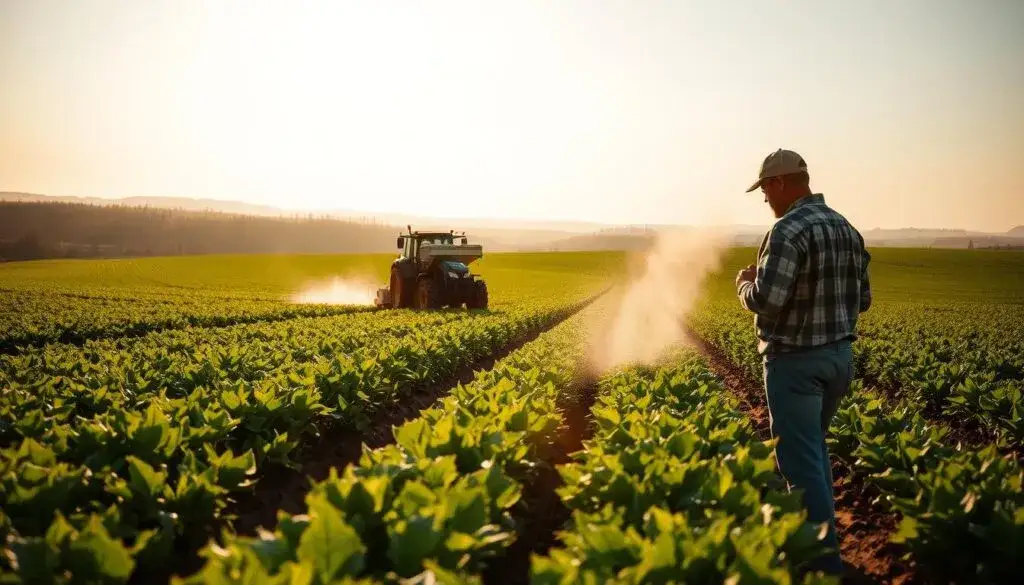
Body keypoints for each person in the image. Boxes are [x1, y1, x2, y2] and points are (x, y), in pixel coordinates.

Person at [735, 148, 871, 577]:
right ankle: (824, 548)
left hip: (795, 363)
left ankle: (821, 566)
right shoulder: (846, 227)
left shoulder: (787, 229)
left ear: (779, 183)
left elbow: (768, 300)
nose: (764, 199)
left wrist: (744, 285)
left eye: (765, 189)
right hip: (839, 359)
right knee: (813, 451)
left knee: (800, 464)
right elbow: (863, 299)